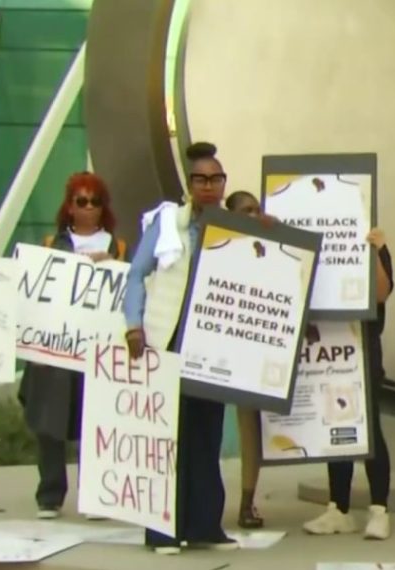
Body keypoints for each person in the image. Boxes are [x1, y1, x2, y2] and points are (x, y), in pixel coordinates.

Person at [124, 141, 247, 554]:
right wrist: (133, 325)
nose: (209, 186)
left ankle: (204, 525)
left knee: (206, 436)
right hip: (169, 340)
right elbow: (137, 275)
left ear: (224, 183)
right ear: (190, 184)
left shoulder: (235, 228)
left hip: (213, 345)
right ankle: (161, 530)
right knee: (167, 439)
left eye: (216, 179)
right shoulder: (166, 224)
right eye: (201, 179)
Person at [18, 172, 127, 519]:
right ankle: (50, 494)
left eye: (95, 201)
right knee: (50, 425)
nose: (88, 208)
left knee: (94, 422)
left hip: (97, 349)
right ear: (69, 206)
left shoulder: (118, 247)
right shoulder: (52, 244)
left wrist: (111, 266)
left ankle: (95, 495)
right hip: (56, 347)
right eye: (81, 201)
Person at [302, 228, 395, 540]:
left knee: (370, 430)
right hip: (329, 347)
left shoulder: (374, 242)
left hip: (363, 349)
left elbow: (382, 293)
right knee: (334, 425)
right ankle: (338, 508)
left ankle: (379, 510)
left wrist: (376, 251)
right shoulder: (317, 238)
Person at [222, 189, 266, 529]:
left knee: (251, 432)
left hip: (256, 353)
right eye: (248, 210)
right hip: (222, 351)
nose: (255, 215)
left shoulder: (272, 248)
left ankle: (247, 503)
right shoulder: (220, 248)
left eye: (258, 210)